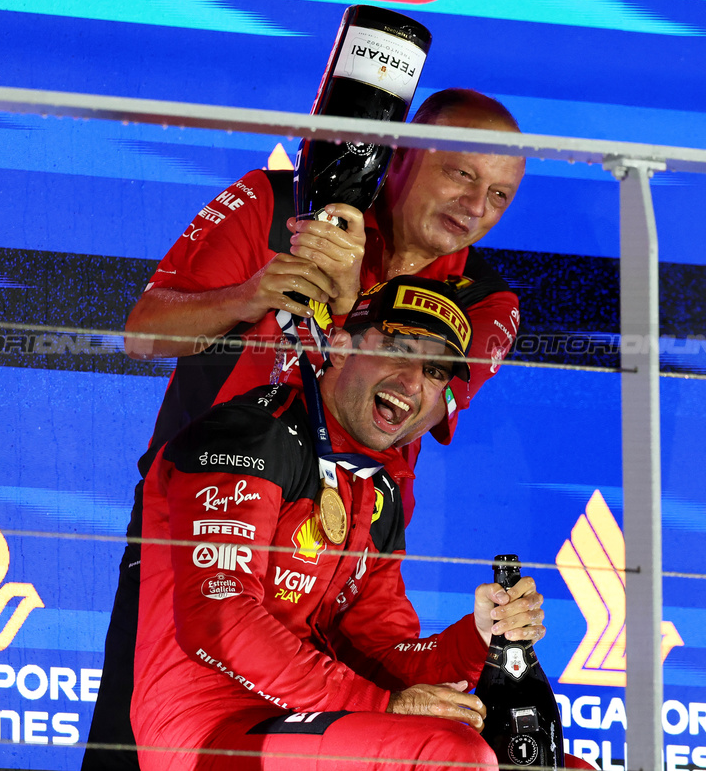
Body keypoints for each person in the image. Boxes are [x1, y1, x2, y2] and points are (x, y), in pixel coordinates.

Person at [84, 90, 526, 769]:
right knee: (128, 746)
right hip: (215, 506)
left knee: (434, 740)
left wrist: (480, 635)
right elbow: (144, 333)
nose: (475, 207)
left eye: (498, 196)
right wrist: (254, 294)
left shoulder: (488, 298)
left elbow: (411, 401)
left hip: (349, 544)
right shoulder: (277, 203)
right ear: (402, 153)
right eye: (463, 174)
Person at [131, 277, 543, 771]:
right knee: (452, 755)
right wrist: (383, 706)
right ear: (343, 347)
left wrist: (478, 635)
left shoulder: (380, 492)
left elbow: (383, 653)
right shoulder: (249, 433)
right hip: (209, 727)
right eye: (398, 348)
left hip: (326, 719)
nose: (412, 383)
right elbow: (219, 617)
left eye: (434, 370)